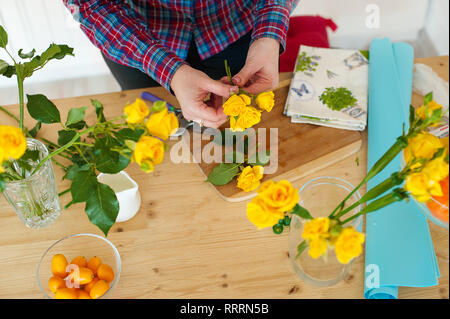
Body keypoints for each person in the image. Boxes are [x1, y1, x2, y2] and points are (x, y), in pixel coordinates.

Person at [63, 1, 298, 128]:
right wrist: (167, 69)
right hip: (136, 40)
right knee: (153, 133)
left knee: (228, 136)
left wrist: (269, 32)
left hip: (236, 29)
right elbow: (89, 4)